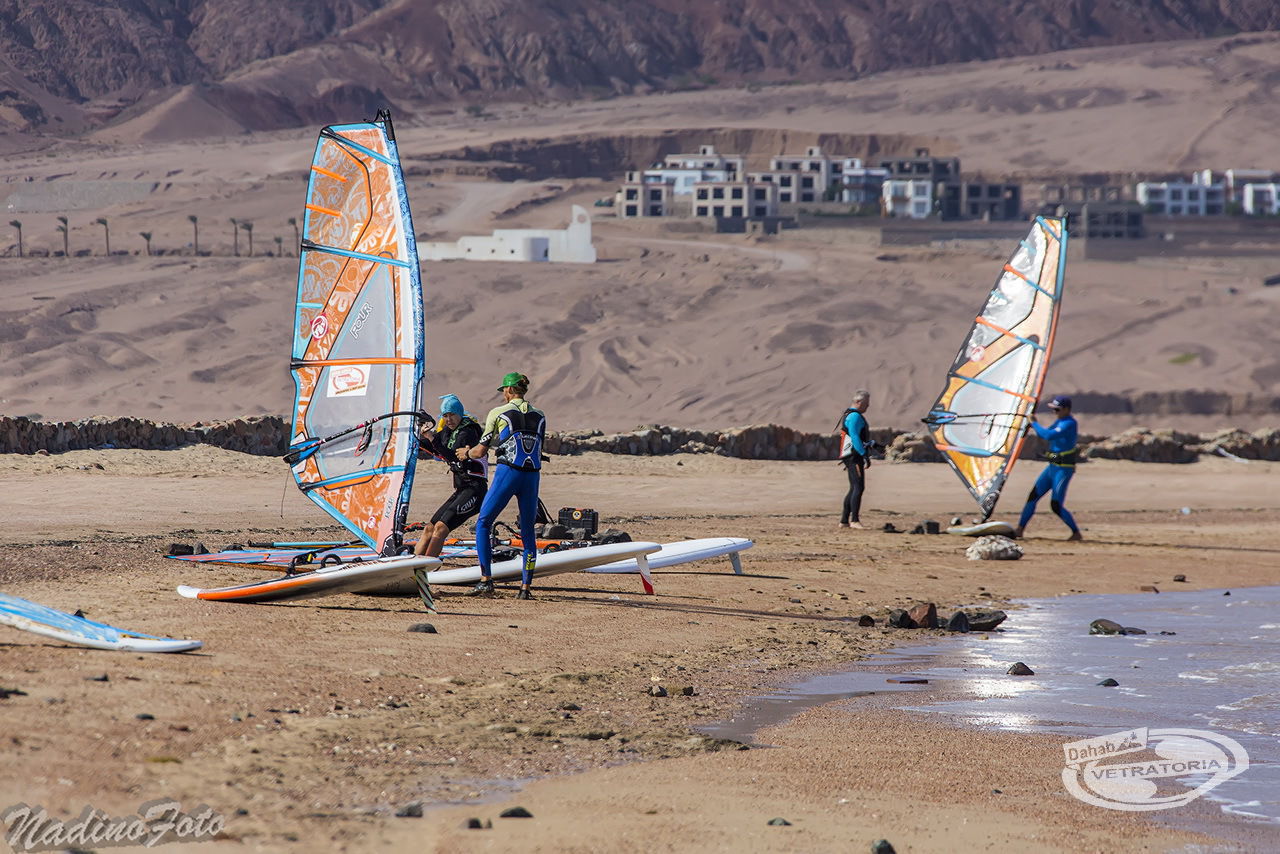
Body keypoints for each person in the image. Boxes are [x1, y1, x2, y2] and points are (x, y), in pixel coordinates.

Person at [457, 372, 546, 600]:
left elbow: (480, 451)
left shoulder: (498, 412)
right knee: (528, 532)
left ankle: (486, 581)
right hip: (532, 477)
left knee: (484, 523)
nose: (503, 394)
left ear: (509, 390)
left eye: (504, 390)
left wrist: (465, 453)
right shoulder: (540, 415)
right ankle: (525, 588)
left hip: (509, 473)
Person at [414, 394, 488, 558]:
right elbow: (431, 445)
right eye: (445, 416)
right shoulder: (447, 432)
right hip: (461, 490)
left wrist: (432, 438)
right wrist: (415, 436)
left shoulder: (468, 432)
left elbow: (452, 456)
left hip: (475, 491)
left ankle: (426, 566)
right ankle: (411, 565)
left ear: (460, 413)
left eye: (452, 415)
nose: (449, 419)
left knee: (440, 528)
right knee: (429, 528)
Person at [1014, 395, 1082, 541]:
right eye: (1053, 409)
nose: (1054, 412)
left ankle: (1076, 533)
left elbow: (1048, 435)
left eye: (1057, 409)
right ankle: (1019, 530)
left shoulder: (1069, 423)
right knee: (1033, 496)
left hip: (1063, 469)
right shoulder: (1060, 421)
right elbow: (1045, 432)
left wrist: (1034, 423)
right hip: (1052, 467)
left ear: (1066, 409)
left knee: (1056, 505)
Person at [838, 390, 872, 529]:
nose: (868, 406)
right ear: (858, 402)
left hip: (850, 456)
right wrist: (864, 454)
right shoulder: (854, 416)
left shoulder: (850, 414)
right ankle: (854, 520)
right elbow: (855, 436)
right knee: (859, 487)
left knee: (853, 487)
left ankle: (844, 521)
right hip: (853, 456)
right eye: (866, 403)